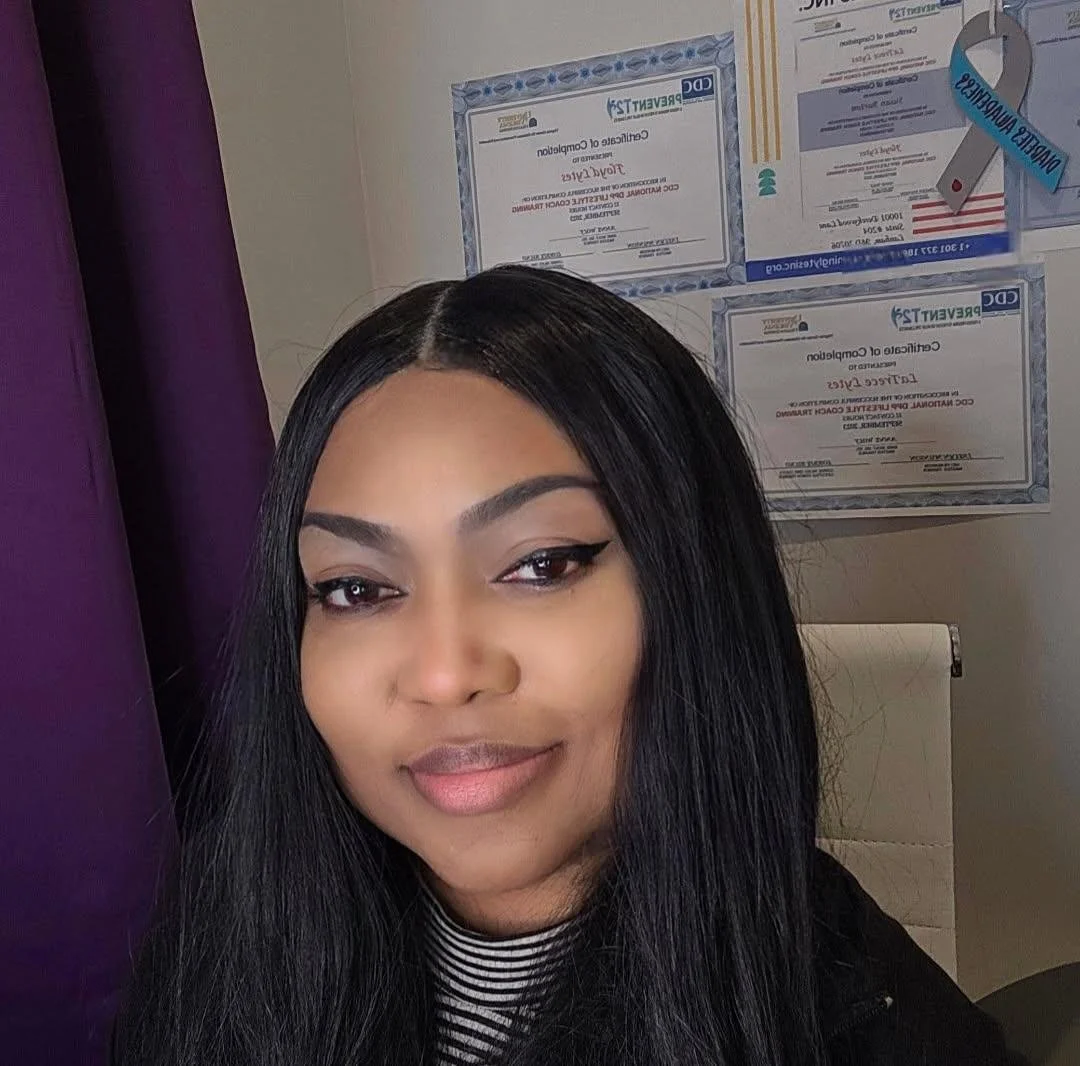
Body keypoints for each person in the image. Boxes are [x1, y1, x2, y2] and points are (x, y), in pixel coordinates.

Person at [110, 266, 1023, 1066]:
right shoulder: (219, 942)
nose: (442, 675)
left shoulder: (863, 1021)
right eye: (356, 589)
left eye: (541, 565)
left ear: (691, 590)